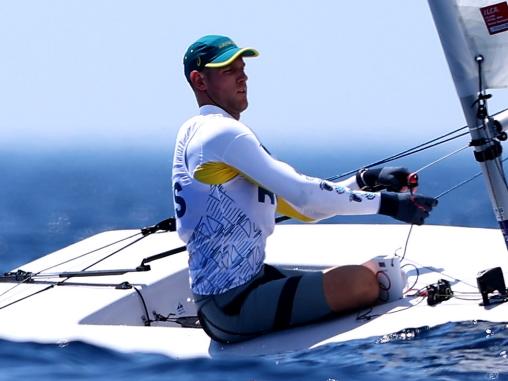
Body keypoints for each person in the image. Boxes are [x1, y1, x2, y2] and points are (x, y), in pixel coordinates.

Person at [172, 35, 437, 343]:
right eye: (229, 70)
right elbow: (304, 193)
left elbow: (302, 208)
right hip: (232, 307)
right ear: (199, 80)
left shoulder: (199, 132)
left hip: (234, 296)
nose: (243, 76)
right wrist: (387, 204)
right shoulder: (222, 133)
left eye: (242, 67)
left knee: (371, 273)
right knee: (366, 283)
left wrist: (365, 180)